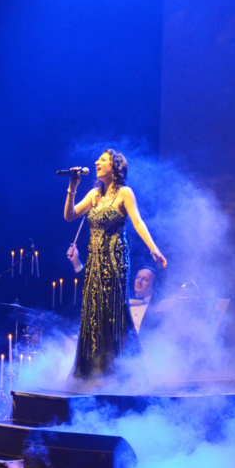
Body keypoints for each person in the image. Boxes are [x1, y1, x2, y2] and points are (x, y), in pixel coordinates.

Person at [63, 150, 167, 383]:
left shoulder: (124, 193)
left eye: (103, 160)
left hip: (114, 261)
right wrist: (72, 187)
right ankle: (92, 372)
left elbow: (138, 222)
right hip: (94, 263)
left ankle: (118, 372)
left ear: (115, 167)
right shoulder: (94, 194)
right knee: (93, 312)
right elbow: (69, 215)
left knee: (112, 312)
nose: (96, 162)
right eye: (98, 160)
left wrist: (154, 249)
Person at [67, 244, 160, 335]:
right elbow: (93, 286)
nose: (139, 281)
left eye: (145, 279)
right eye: (138, 277)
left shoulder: (159, 305)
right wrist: (76, 262)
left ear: (154, 284)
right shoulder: (123, 296)